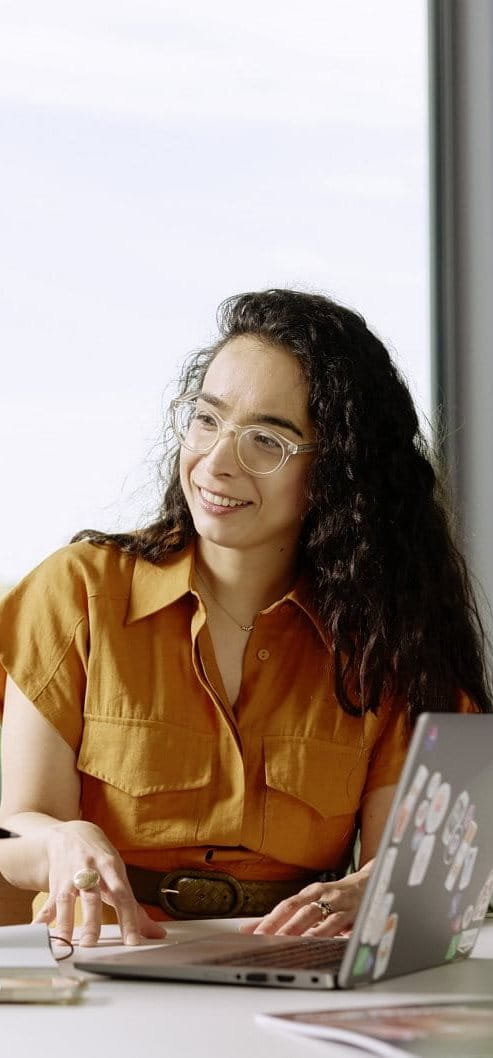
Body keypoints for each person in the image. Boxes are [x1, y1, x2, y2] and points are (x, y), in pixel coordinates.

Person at [0, 289, 491, 948]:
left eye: (266, 439)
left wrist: (367, 890)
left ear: (334, 472)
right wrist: (62, 840)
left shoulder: (384, 639)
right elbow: (15, 829)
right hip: (99, 957)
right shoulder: (79, 589)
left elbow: (408, 869)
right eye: (206, 419)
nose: (217, 460)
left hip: (291, 966)